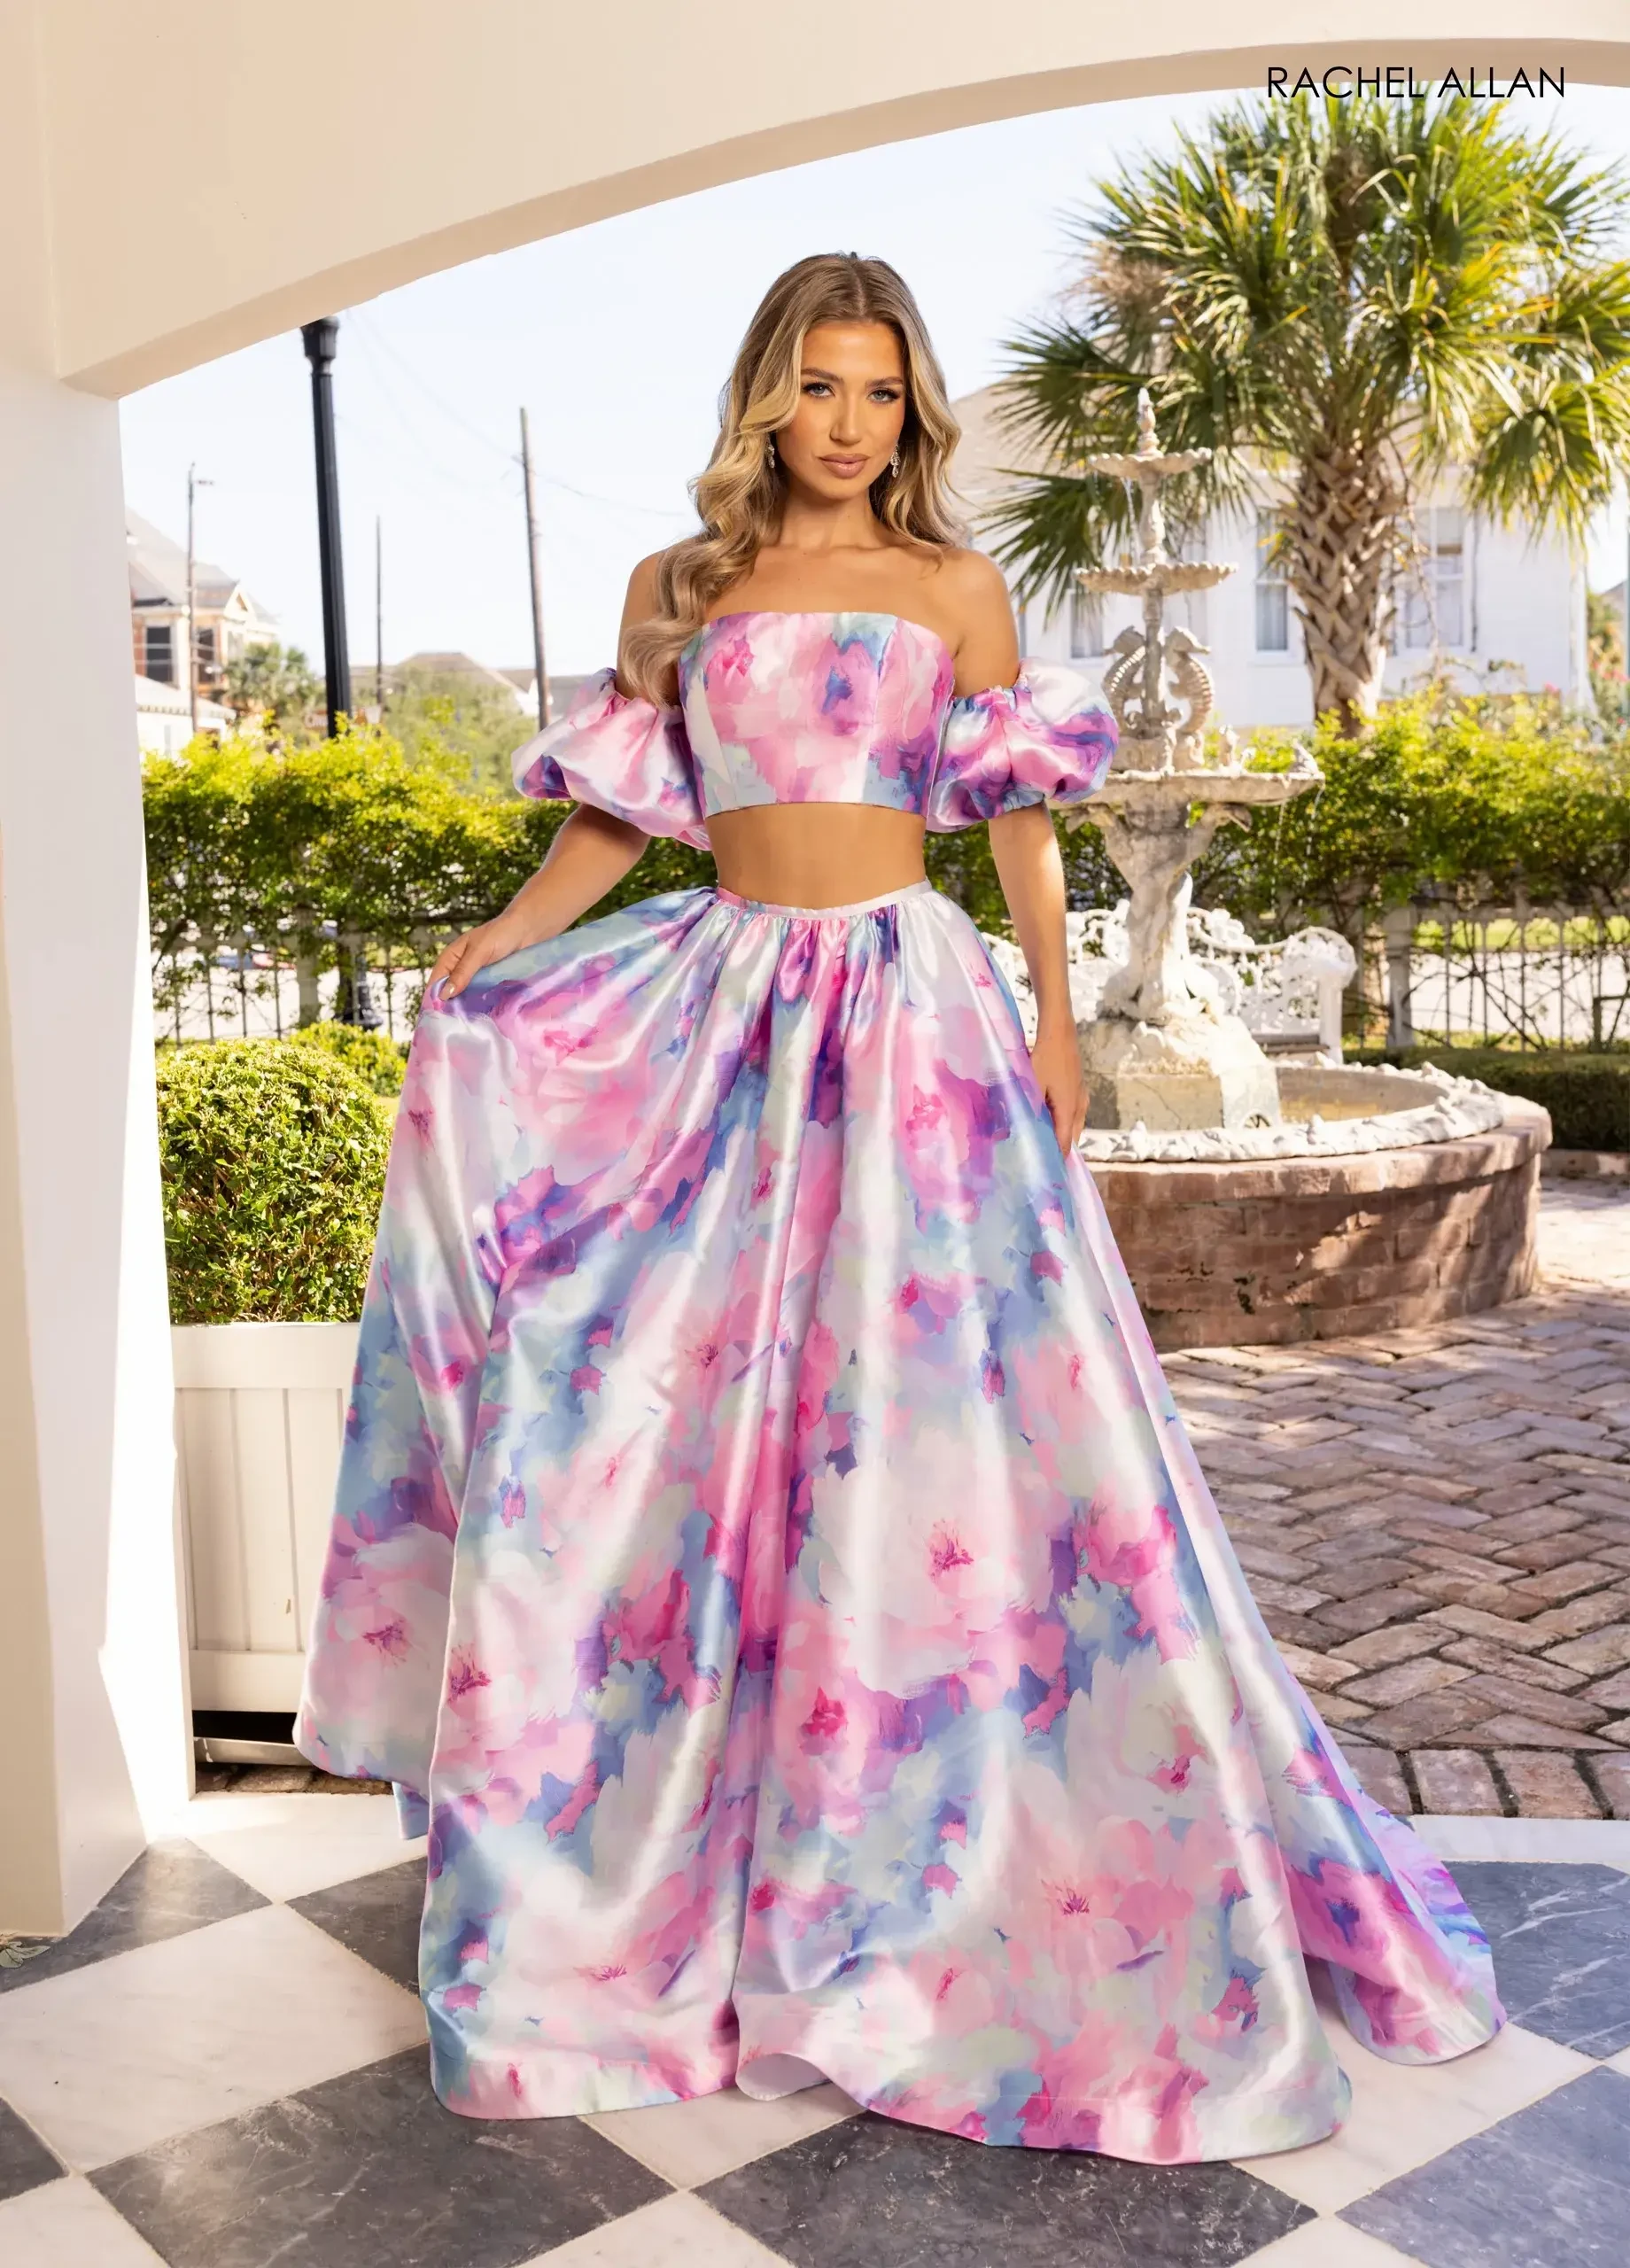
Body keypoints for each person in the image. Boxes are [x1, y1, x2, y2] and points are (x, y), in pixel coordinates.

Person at [297, 252, 1502, 2160]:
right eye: (820, 389)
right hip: (722, 1011)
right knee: (670, 1417)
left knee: (935, 1429)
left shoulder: (954, 587)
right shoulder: (679, 591)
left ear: (907, 410)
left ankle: (939, 1825)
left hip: (907, 1016)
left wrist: (1050, 1009)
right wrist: (502, 942)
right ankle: (676, 1839)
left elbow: (1012, 816)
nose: (851, 424)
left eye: (880, 393)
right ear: (767, 395)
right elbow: (622, 820)